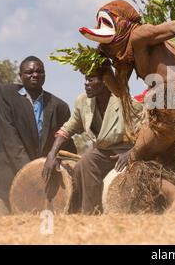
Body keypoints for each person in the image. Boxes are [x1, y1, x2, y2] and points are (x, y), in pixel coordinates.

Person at [78, 0, 175, 172]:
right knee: (163, 159)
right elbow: (120, 91)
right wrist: (104, 71)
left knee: (138, 157)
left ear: (122, 24)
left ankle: (137, 156)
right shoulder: (127, 58)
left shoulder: (138, 35)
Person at [41, 69, 148, 214]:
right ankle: (89, 214)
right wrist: (52, 153)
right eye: (85, 79)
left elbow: (146, 134)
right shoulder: (83, 102)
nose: (86, 84)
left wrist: (131, 153)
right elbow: (68, 128)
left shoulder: (128, 103)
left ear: (105, 81)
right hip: (103, 153)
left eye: (91, 79)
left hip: (127, 151)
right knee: (84, 163)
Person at [0, 56, 75, 215]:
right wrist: (30, 173)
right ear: (20, 76)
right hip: (7, 177)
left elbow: (66, 145)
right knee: (2, 231)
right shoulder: (6, 95)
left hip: (42, 186)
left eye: (39, 71)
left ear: (45, 75)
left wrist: (66, 165)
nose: (35, 75)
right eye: (29, 72)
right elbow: (9, 137)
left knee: (37, 232)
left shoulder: (59, 106)